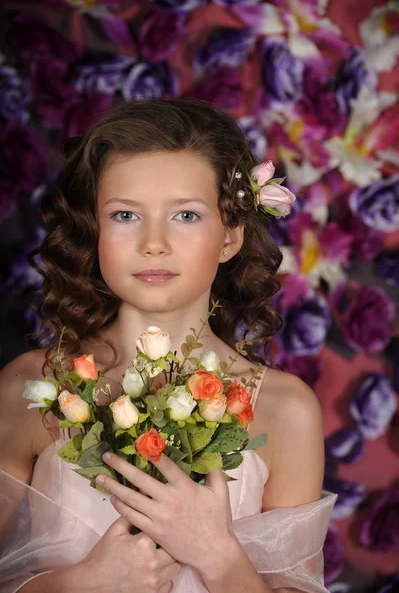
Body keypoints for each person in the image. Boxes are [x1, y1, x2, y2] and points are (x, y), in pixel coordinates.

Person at [0, 99, 337, 593]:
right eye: (124, 215)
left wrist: (216, 553)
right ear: (95, 231)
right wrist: (80, 585)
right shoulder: (32, 388)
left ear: (230, 236)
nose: (153, 243)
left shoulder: (286, 411)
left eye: (184, 214)